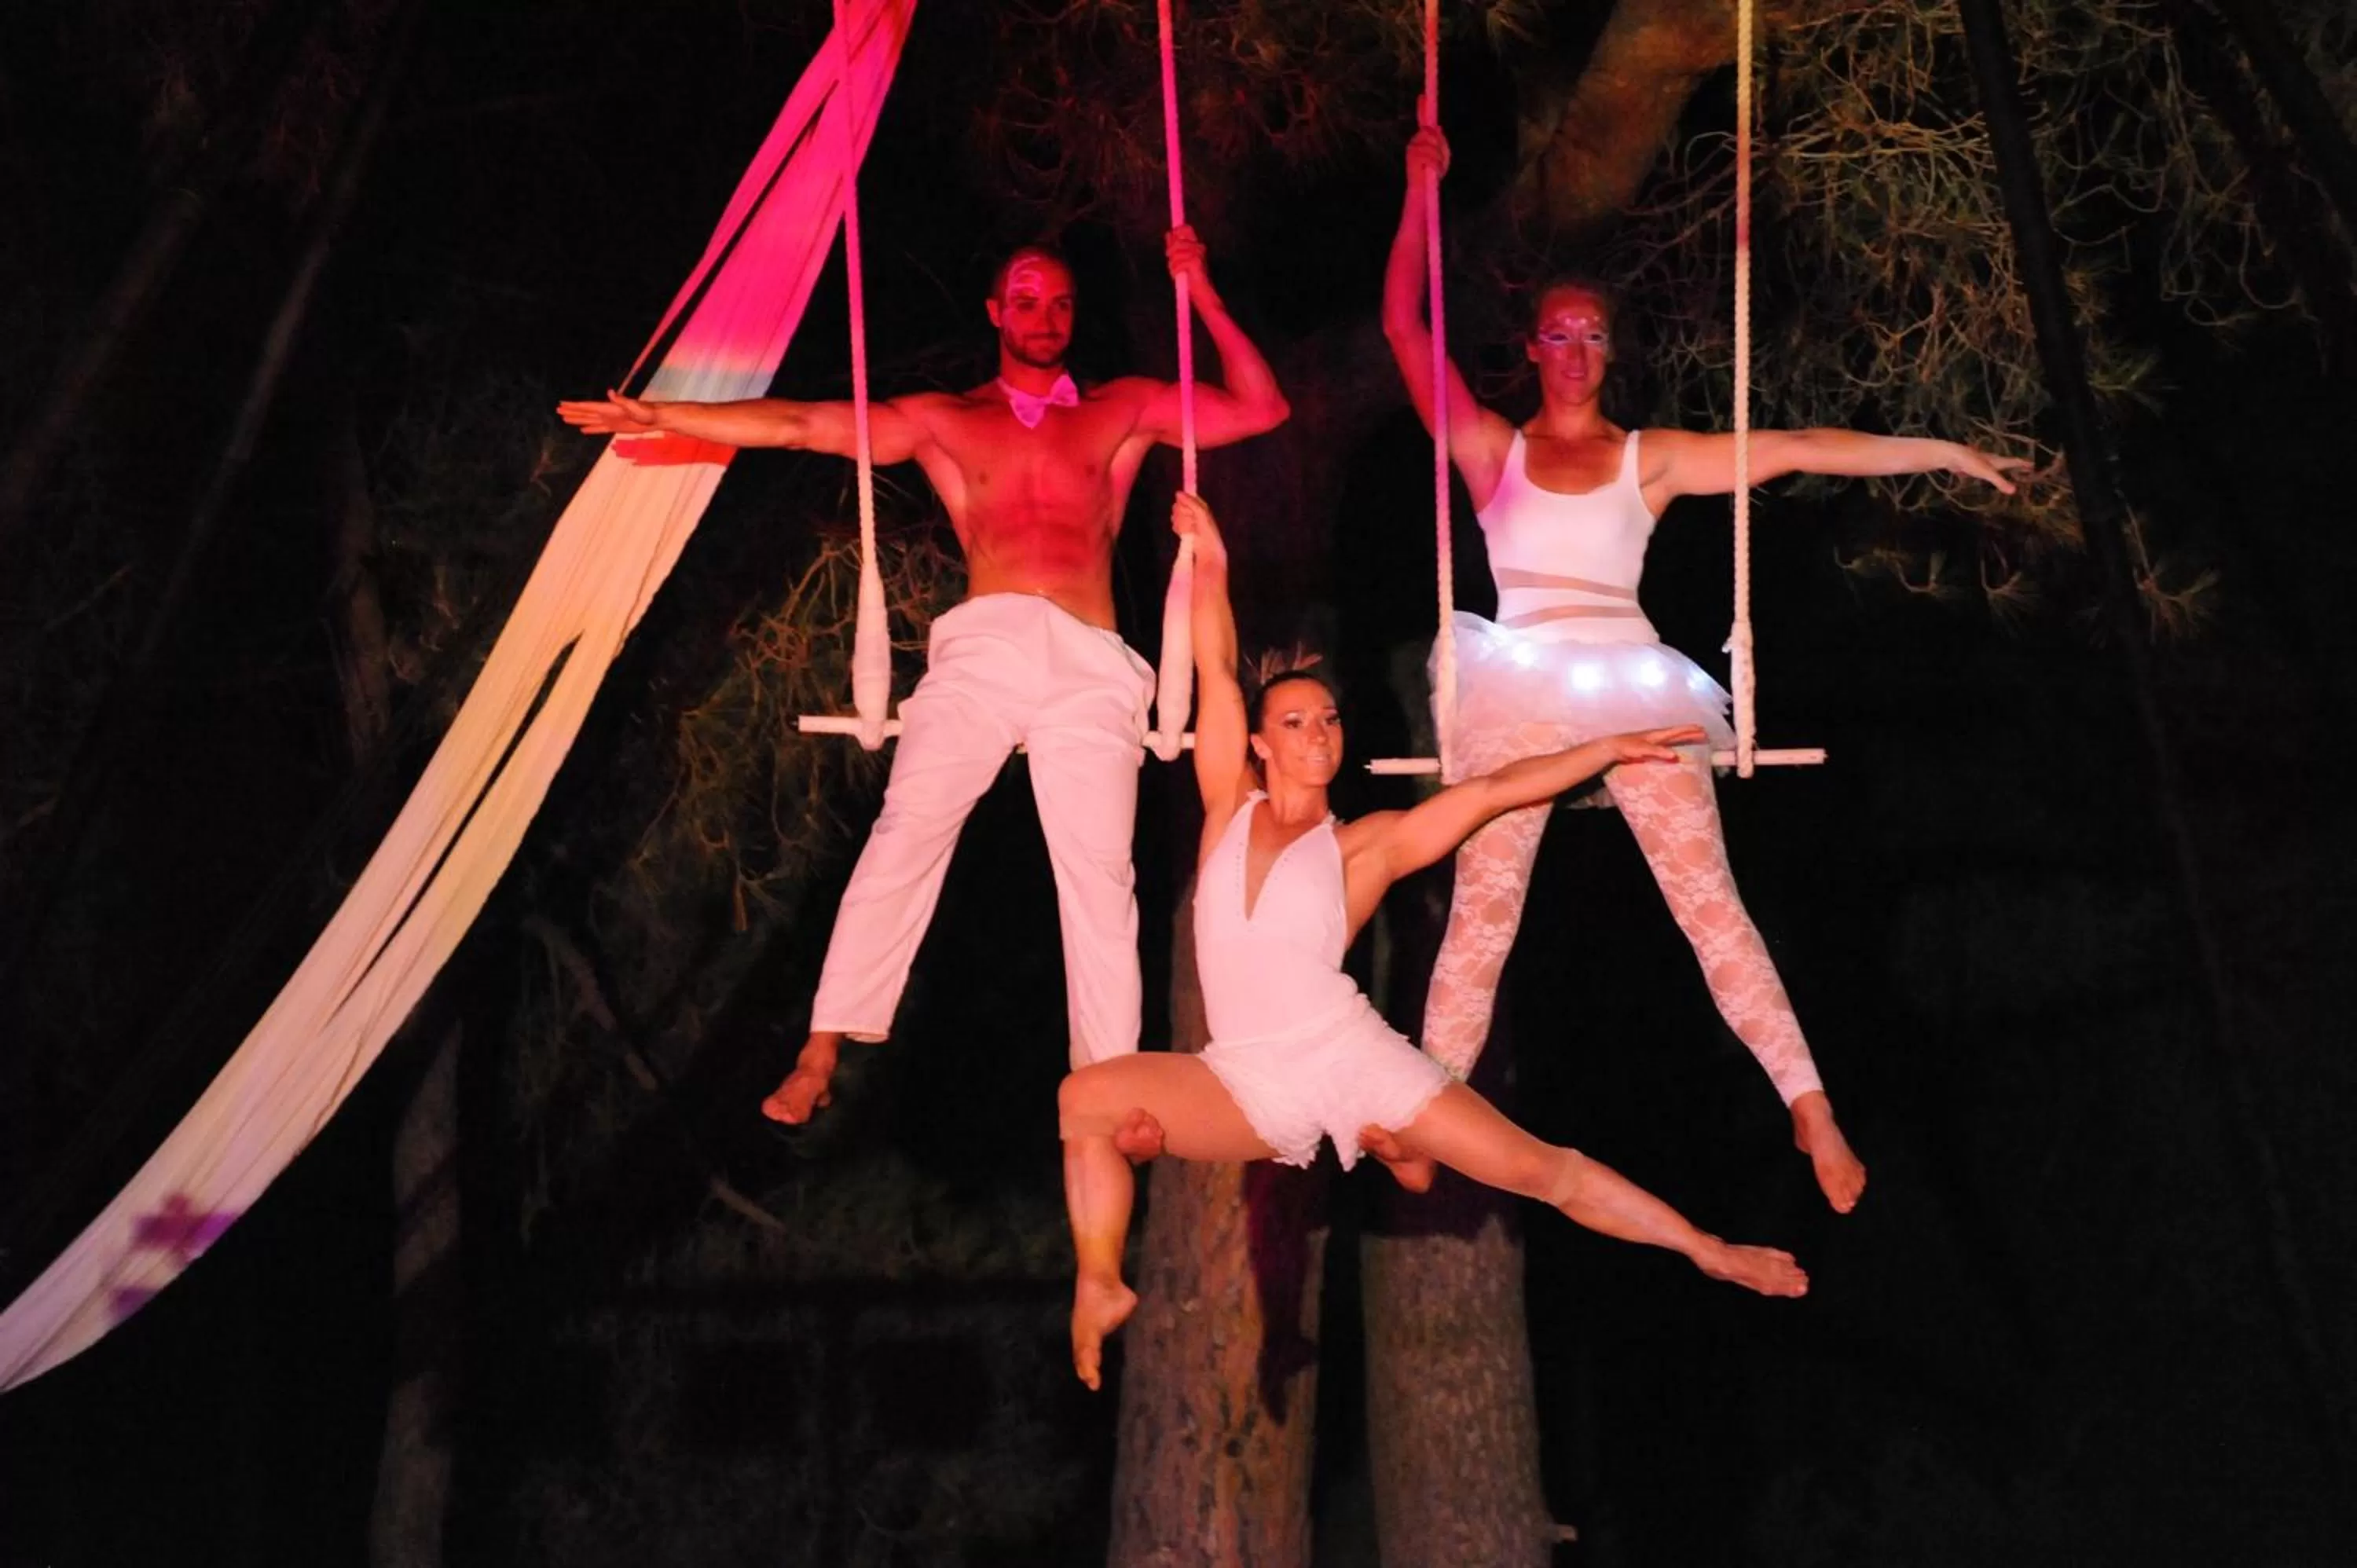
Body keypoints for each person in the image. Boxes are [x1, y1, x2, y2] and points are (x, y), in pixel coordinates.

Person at [1383, 128, 2030, 1214]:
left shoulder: (1653, 457)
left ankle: (1810, 1107)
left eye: (1594, 334)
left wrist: (1941, 453)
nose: (1579, 349)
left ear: (1610, 351)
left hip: (1631, 682)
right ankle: (1427, 1113)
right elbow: (1406, 326)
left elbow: (1799, 446)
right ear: (1534, 348)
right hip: (1519, 677)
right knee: (1485, 907)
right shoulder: (1493, 449)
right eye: (1560, 333)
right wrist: (1417, 194)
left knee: (1709, 905)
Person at [1057, 493, 1808, 1390]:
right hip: (1242, 1079)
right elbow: (1217, 668)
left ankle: (1708, 1248)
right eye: (1295, 722)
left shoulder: (1362, 847)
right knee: (1085, 1101)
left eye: (1330, 721)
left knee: (1541, 1170)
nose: (1319, 734)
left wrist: (1608, 748)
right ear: (1259, 743)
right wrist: (1209, 559)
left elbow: (1497, 792)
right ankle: (1099, 1279)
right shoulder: (1226, 808)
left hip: (1348, 1057)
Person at [559, 230, 1289, 1123]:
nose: (1045, 317)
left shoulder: (1121, 409)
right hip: (984, 648)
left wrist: (1203, 292)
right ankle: (824, 1046)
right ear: (995, 313)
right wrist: (671, 416)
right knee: (908, 827)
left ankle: (1113, 1086)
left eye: (1060, 302)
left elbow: (1261, 410)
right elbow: (802, 424)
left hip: (1092, 659)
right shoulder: (949, 418)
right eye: (1026, 301)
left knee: (1099, 876)